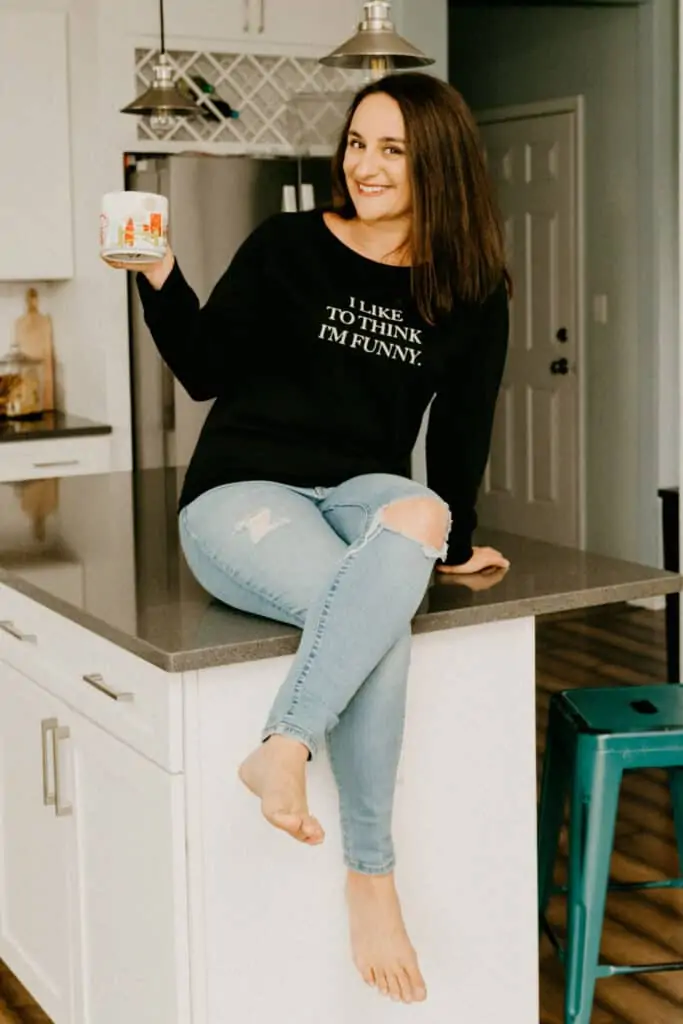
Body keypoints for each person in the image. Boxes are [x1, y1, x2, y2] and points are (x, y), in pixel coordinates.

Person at [105, 71, 510, 1006]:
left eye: (391, 150)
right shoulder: (289, 244)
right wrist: (160, 275)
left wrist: (451, 543)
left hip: (357, 488)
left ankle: (280, 746)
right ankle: (372, 876)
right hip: (242, 489)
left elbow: (462, 430)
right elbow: (205, 371)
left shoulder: (470, 286)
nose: (364, 166)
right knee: (374, 606)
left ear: (436, 165)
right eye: (357, 144)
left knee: (419, 518)